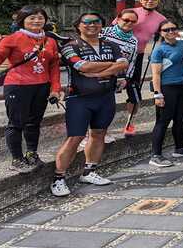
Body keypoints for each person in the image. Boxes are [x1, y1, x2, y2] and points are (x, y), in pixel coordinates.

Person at [51, 12, 128, 197]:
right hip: (80, 98)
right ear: (78, 26)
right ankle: (58, 178)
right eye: (86, 22)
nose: (92, 25)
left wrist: (98, 73)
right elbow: (82, 67)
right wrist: (111, 66)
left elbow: (123, 64)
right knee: (75, 137)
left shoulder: (111, 44)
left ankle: (89, 171)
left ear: (102, 25)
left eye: (96, 22)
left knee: (99, 134)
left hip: (105, 97)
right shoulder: (70, 46)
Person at [0, 6, 62, 173]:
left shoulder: (50, 41)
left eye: (40, 17)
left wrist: (55, 89)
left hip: (41, 86)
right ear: (22, 21)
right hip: (18, 86)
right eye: (31, 18)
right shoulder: (12, 39)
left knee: (34, 122)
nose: (36, 21)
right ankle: (17, 159)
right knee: (16, 123)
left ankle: (31, 153)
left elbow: (54, 67)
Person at [121, 0, 167, 136]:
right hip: (119, 55)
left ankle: (130, 123)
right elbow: (115, 28)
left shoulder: (161, 19)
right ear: (140, 0)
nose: (149, 1)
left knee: (134, 90)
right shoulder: (130, 13)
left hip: (138, 56)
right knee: (106, 88)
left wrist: (156, 53)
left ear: (158, 1)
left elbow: (162, 38)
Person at [149, 19, 183, 167]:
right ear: (161, 33)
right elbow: (156, 74)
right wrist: (157, 94)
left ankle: (179, 148)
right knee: (163, 121)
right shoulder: (159, 50)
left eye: (173, 28)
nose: (170, 32)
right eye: (166, 30)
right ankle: (156, 155)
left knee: (180, 119)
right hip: (167, 87)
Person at [101, 8, 138, 142]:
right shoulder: (104, 32)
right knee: (95, 105)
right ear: (118, 19)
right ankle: (88, 135)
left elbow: (132, 61)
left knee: (107, 106)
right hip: (98, 74)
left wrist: (126, 78)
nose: (129, 23)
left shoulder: (133, 40)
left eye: (133, 21)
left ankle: (103, 132)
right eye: (126, 20)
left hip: (115, 77)